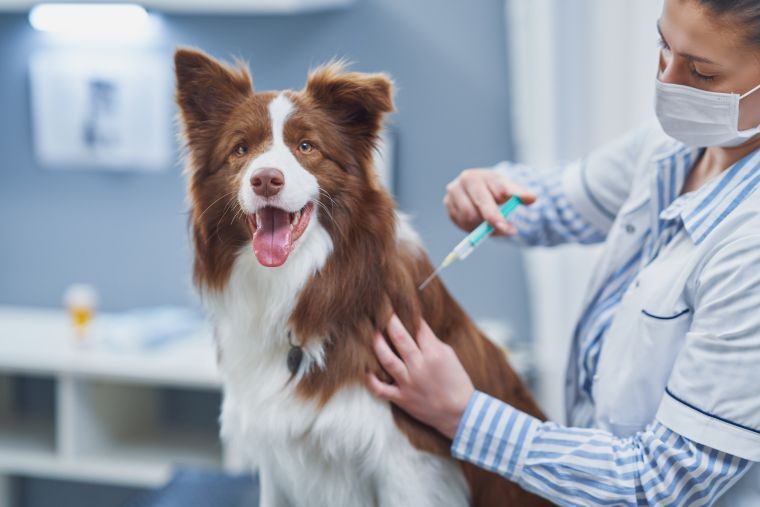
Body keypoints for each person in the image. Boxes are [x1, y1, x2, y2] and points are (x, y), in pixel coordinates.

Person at [366, 0, 760, 504]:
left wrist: (464, 414)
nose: (668, 81)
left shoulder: (748, 251)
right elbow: (563, 199)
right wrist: (493, 193)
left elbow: (660, 483)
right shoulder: (678, 146)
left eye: (701, 73)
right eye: (664, 46)